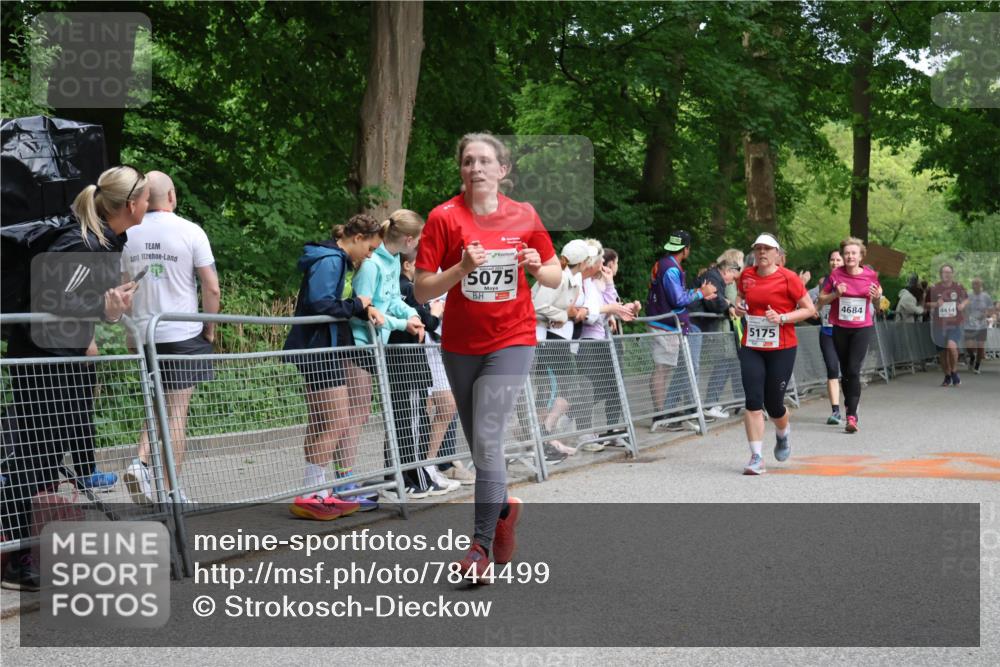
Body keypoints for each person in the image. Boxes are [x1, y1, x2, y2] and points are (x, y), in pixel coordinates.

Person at [414, 132, 561, 581]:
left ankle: (478, 549)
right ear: (461, 169)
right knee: (481, 447)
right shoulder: (444, 218)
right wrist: (461, 269)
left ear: (503, 170)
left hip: (512, 337)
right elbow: (422, 287)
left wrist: (537, 266)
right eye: (467, 161)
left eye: (484, 161)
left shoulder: (524, 215)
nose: (475, 168)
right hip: (460, 344)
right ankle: (503, 513)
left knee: (489, 438)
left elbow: (554, 275)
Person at [1, 165, 147, 590]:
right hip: (45, 362)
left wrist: (95, 322)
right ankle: (16, 555)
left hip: (57, 358)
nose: (147, 204)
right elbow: (53, 299)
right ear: (131, 205)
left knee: (43, 458)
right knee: (35, 459)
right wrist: (106, 310)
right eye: (143, 197)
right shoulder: (83, 242)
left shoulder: (101, 242)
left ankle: (25, 548)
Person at [121, 171, 220, 505]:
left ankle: (140, 461)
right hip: (182, 332)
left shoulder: (129, 233)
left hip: (145, 333)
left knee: (154, 404)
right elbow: (212, 287)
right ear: (173, 196)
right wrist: (209, 327)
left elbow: (125, 291)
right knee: (177, 411)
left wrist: (129, 333)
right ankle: (171, 491)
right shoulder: (191, 232)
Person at [283, 214, 385, 521]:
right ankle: (313, 492)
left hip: (319, 346)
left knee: (321, 421)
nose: (369, 255)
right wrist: (357, 305)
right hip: (318, 348)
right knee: (337, 419)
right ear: (356, 238)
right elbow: (320, 303)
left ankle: (316, 490)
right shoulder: (331, 260)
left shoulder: (334, 258)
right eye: (369, 248)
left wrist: (356, 305)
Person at [347, 210, 428, 502]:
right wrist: (401, 323)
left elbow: (392, 300)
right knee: (354, 415)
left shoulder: (392, 260)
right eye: (418, 238)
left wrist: (413, 315)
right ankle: (342, 483)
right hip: (360, 345)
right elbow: (366, 311)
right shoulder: (371, 265)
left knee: (361, 413)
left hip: (377, 345)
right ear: (408, 239)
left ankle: (348, 483)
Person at [734, 233, 815, 475]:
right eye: (758, 249)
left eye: (767, 249)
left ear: (777, 254)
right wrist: (738, 307)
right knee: (753, 401)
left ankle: (782, 433)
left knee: (774, 405)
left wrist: (781, 318)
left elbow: (809, 310)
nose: (762, 253)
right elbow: (740, 300)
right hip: (752, 345)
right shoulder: (747, 275)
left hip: (782, 347)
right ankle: (756, 457)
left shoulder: (789, 278)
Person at [388, 244, 460, 496]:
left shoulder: (410, 283)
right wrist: (435, 314)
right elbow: (425, 320)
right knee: (411, 418)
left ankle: (421, 471)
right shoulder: (405, 286)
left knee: (422, 414)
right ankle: (413, 475)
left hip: (429, 352)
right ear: (408, 265)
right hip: (414, 357)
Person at [646, 230, 717, 432]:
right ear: (686, 249)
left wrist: (699, 295)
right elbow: (677, 299)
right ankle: (661, 414)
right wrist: (700, 292)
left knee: (666, 368)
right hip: (665, 325)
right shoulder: (671, 269)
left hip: (666, 323)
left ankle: (667, 411)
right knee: (663, 368)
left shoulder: (665, 263)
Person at [816, 238, 882, 434]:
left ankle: (852, 415)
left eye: (854, 253)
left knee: (853, 369)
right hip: (840, 328)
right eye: (847, 253)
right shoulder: (836, 274)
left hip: (862, 328)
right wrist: (835, 294)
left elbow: (877, 305)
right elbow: (821, 299)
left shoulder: (870, 275)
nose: (850, 256)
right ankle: (849, 406)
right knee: (845, 371)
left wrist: (877, 298)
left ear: (861, 256)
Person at [531, 239, 589, 461]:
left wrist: (558, 315)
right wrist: (560, 316)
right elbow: (536, 305)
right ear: (583, 262)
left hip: (546, 337)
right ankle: (541, 441)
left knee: (556, 390)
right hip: (538, 340)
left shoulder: (570, 278)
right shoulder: (558, 277)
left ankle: (546, 438)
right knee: (548, 392)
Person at [690, 249, 744, 420]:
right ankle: (695, 407)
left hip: (703, 326)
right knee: (692, 368)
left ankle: (694, 407)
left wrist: (726, 303)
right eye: (734, 278)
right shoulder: (714, 277)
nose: (731, 283)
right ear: (729, 269)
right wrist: (728, 305)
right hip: (697, 325)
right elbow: (715, 301)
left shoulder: (715, 277)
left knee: (692, 368)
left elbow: (718, 298)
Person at [808, 249, 845, 425]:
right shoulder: (823, 283)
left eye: (838, 260)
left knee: (849, 372)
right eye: (832, 259)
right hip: (828, 331)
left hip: (848, 332)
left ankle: (852, 410)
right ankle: (836, 411)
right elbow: (808, 300)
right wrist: (813, 310)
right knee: (832, 370)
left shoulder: (853, 281)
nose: (835, 262)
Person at [928, 264, 969, 387]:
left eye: (948, 272)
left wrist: (962, 305)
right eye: (944, 272)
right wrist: (935, 304)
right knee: (942, 353)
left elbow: (967, 299)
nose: (946, 274)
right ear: (941, 274)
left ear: (952, 274)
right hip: (939, 324)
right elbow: (926, 304)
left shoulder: (959, 287)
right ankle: (947, 376)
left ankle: (954, 371)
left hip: (955, 323)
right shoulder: (934, 288)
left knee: (951, 346)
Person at [962, 277, 994, 374]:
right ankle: (972, 356)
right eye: (973, 284)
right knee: (969, 347)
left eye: (976, 284)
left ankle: (977, 366)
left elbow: (991, 310)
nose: (974, 285)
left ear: (980, 285)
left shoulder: (986, 297)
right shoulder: (968, 296)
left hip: (981, 325)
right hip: (969, 325)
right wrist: (964, 315)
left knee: (980, 346)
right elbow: (963, 308)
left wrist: (986, 314)